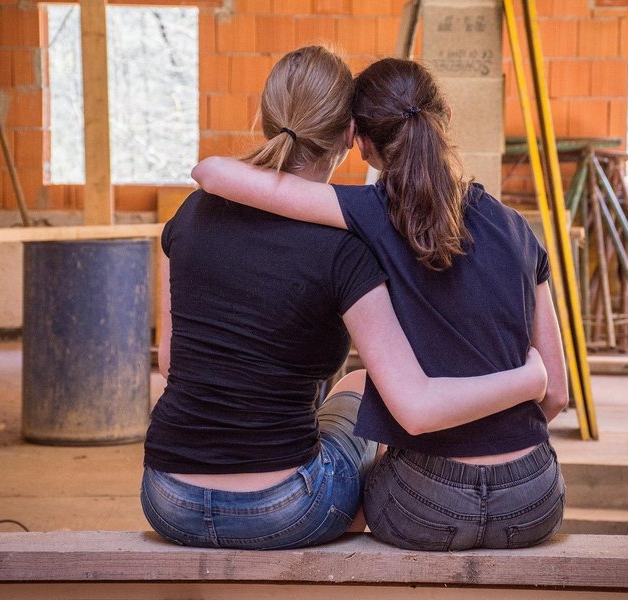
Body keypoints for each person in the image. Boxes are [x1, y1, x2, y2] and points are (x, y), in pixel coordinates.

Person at [142, 47, 548, 551]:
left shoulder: (186, 216)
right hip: (286, 511)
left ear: (266, 116)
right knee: (359, 385)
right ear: (350, 136)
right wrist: (528, 378)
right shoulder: (350, 245)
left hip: (165, 497)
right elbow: (418, 403)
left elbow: (170, 362)